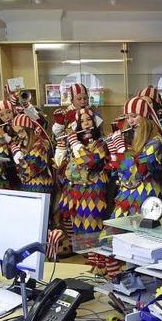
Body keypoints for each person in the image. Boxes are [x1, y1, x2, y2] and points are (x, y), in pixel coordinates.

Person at [103, 96, 162, 276]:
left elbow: (137, 171)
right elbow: (119, 172)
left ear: (145, 117)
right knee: (111, 239)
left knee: (140, 246)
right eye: (128, 117)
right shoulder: (133, 141)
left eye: (134, 116)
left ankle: (137, 282)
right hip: (125, 197)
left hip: (147, 198)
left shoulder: (156, 141)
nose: (130, 121)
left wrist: (120, 151)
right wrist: (116, 151)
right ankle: (119, 281)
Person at [56, 108, 110, 271]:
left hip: (93, 190)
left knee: (93, 226)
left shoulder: (101, 142)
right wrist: (62, 149)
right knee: (78, 227)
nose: (86, 124)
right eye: (82, 121)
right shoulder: (74, 143)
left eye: (89, 120)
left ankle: (101, 264)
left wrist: (76, 145)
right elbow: (60, 167)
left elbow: (91, 162)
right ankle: (91, 262)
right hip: (74, 191)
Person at [9, 114, 53, 194]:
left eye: (21, 131)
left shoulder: (41, 144)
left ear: (28, 128)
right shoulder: (22, 144)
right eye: (16, 133)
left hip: (41, 189)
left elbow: (28, 172)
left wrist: (18, 157)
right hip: (27, 189)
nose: (19, 135)